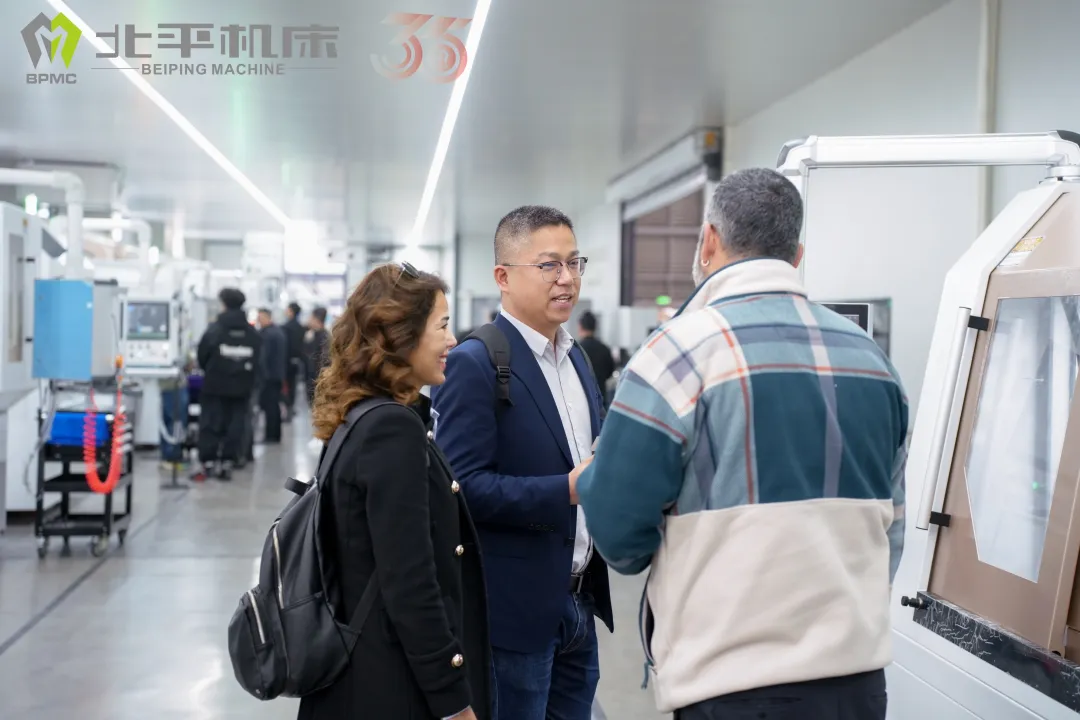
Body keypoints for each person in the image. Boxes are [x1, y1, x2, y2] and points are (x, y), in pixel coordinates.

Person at [576, 168, 908, 720]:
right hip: (857, 683)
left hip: (730, 684)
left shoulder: (677, 354)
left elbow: (618, 536)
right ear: (796, 255)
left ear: (708, 241)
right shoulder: (872, 360)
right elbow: (892, 527)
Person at [431, 205, 612, 720]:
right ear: (503, 277)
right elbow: (460, 489)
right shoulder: (475, 364)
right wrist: (566, 489)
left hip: (579, 600)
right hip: (513, 614)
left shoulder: (576, 358)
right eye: (549, 265)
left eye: (574, 263)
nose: (567, 278)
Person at [298, 263, 490, 720]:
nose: (453, 341)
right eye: (442, 326)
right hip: (389, 685)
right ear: (402, 336)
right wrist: (452, 700)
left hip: (358, 674)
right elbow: (410, 581)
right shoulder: (392, 428)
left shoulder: (360, 415)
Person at [194, 288, 261, 481]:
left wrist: (214, 371)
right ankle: (228, 461)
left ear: (223, 304)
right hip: (242, 388)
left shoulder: (214, 330)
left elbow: (202, 356)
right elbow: (259, 360)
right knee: (236, 425)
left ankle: (208, 461)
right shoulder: (252, 333)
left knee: (211, 423)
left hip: (214, 387)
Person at [256, 308, 287, 444]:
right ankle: (275, 435)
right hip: (277, 375)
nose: (259, 320)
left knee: (270, 407)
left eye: (261, 317)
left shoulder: (267, 334)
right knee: (274, 405)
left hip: (268, 376)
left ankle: (271, 436)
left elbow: (263, 357)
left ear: (268, 317)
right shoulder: (278, 332)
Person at [576, 310, 615, 407]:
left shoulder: (576, 350)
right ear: (595, 327)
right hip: (601, 397)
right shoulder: (604, 348)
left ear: (580, 326)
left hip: (582, 399)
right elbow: (610, 371)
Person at [282, 302, 306, 422]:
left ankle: (287, 409)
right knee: (293, 386)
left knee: (286, 386)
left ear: (291, 312)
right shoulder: (301, 328)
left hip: (286, 361)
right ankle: (291, 408)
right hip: (297, 361)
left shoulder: (285, 327)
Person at [303, 306, 330, 406]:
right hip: (312, 379)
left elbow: (323, 361)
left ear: (316, 319)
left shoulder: (324, 337)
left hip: (317, 381)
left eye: (311, 317)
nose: (309, 320)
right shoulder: (313, 334)